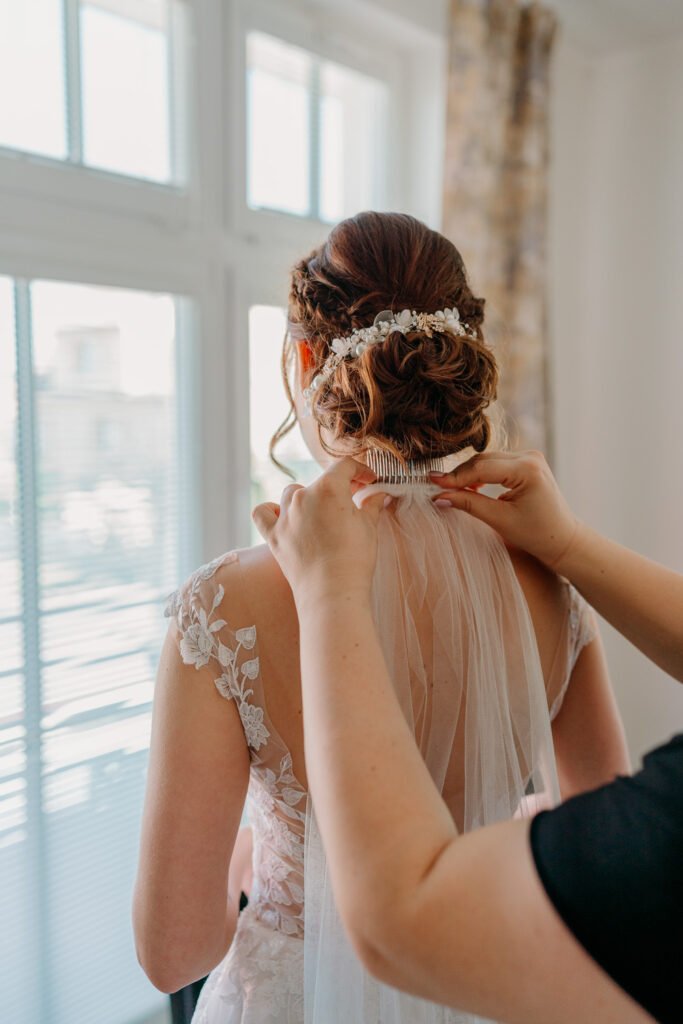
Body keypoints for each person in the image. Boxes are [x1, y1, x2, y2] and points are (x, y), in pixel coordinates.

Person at [133, 213, 628, 1023]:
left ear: (306, 364)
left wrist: (272, 868)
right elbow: (606, 851)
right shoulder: (549, 575)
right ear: (457, 360)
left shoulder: (224, 606)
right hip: (475, 986)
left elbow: (173, 952)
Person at [253, 450, 683, 1024]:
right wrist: (568, 546)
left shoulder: (230, 595)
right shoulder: (551, 590)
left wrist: (328, 594)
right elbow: (598, 805)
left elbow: (175, 955)